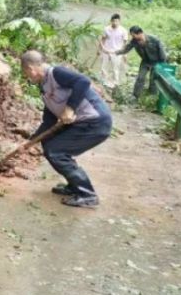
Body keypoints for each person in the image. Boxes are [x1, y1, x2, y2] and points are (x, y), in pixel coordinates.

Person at [20, 50, 113, 208]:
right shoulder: (44, 88)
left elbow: (82, 81)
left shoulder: (56, 73)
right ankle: (74, 186)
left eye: (26, 73)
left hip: (95, 122)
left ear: (31, 68)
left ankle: (87, 194)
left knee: (56, 151)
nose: (27, 77)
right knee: (49, 144)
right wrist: (29, 142)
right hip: (82, 123)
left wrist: (70, 109)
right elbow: (48, 122)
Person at [114, 26, 167, 99]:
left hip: (156, 62)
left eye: (133, 35)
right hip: (145, 61)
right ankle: (135, 96)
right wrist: (115, 52)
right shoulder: (134, 41)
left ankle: (152, 96)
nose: (132, 37)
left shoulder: (154, 40)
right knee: (140, 78)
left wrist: (162, 64)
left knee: (153, 80)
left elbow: (162, 53)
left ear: (140, 33)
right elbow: (126, 49)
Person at [98, 13, 128, 91]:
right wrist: (99, 49)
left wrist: (124, 54)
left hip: (117, 52)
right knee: (103, 67)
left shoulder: (123, 30)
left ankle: (115, 83)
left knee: (115, 68)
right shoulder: (106, 29)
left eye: (117, 21)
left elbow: (125, 43)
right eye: (113, 21)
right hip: (106, 50)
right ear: (111, 21)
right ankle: (103, 82)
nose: (115, 23)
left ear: (119, 21)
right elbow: (102, 39)